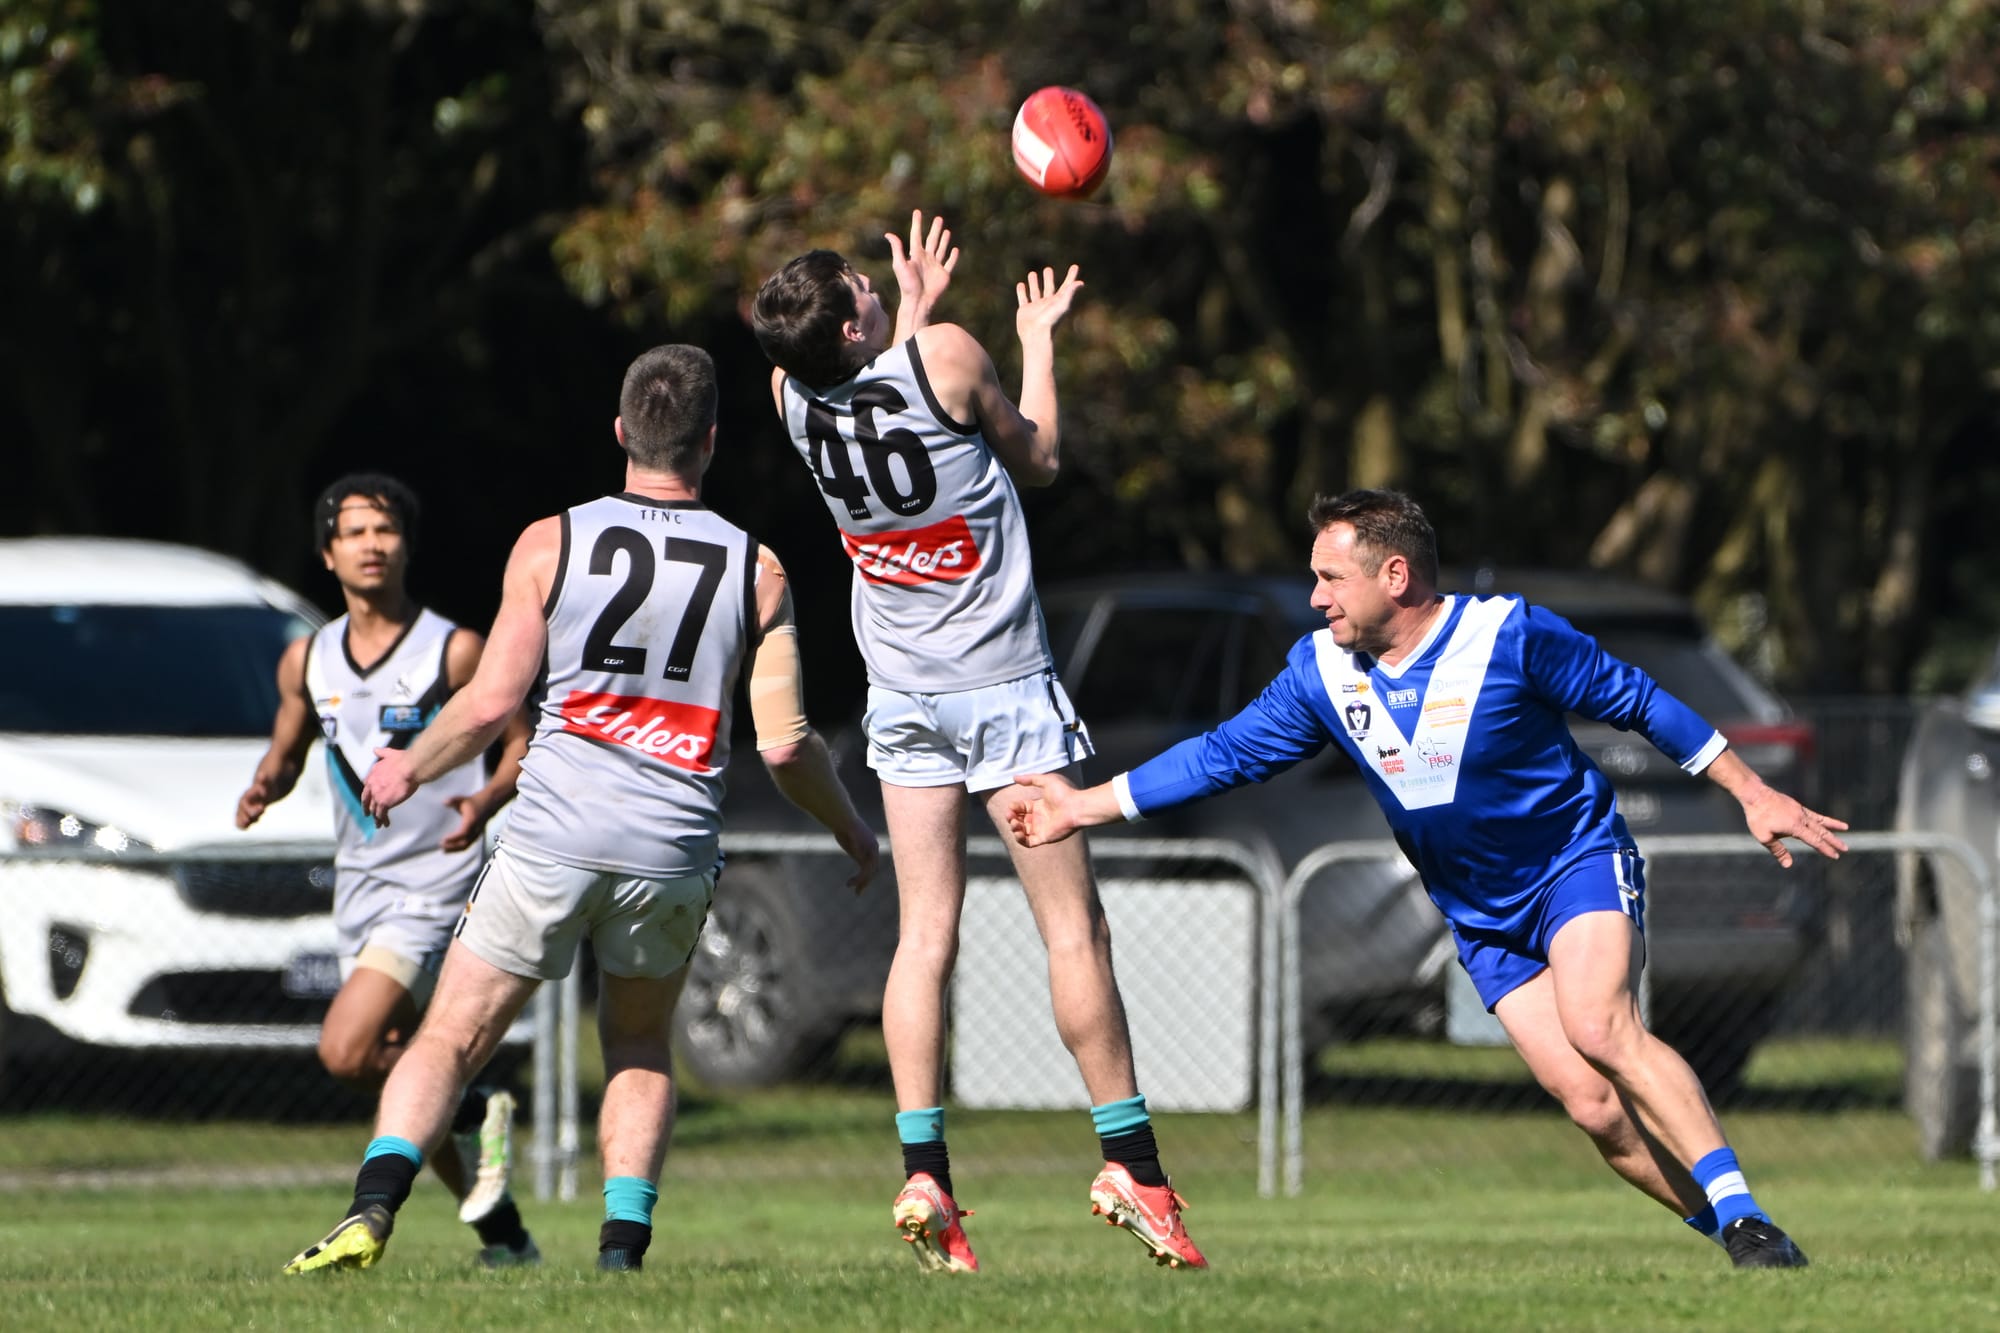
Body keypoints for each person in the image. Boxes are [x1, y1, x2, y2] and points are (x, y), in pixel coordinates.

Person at [1006, 488, 1848, 1270]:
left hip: (1574, 862)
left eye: (1331, 577)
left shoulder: (1507, 635)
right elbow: (1225, 753)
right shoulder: (1321, 672)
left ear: (1394, 574)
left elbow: (1638, 699)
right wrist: (1084, 807)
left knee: (1599, 1023)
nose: (1316, 598)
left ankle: (1744, 1215)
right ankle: (1745, 1238)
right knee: (1593, 1108)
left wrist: (1751, 789)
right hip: (1480, 915)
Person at [281, 344, 880, 1275]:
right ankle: (620, 1257)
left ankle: (371, 1209)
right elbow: (786, 744)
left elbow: (487, 702)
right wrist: (850, 826)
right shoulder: (755, 567)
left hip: (553, 832)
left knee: (450, 1035)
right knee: (639, 1040)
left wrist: (408, 764)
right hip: (671, 846)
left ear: (619, 433)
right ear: (711, 442)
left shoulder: (549, 541)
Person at [750, 211, 1205, 1272]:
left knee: (925, 936)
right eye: (862, 289)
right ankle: (1132, 1167)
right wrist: (1037, 333)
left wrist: (904, 308)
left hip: (904, 696)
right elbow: (1035, 457)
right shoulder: (951, 355)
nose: (873, 287)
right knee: (1071, 933)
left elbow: (885, 392)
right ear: (858, 332)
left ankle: (925, 1176)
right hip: (1001, 691)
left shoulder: (785, 395)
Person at [237, 472, 539, 1268]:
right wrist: (265, 784)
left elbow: (521, 742)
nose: (373, 544)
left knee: (346, 1048)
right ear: (327, 552)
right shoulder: (307, 659)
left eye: (386, 530)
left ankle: (472, 1104)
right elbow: (290, 747)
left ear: (407, 544)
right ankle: (505, 1237)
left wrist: (483, 804)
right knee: (404, 1075)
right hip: (359, 891)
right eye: (355, 531)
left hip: (435, 885)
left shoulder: (454, 649)